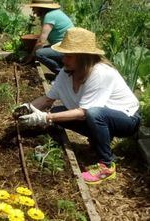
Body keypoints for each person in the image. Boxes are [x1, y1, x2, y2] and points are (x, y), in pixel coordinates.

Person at [14, 27, 140, 184]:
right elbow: (47, 99)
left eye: (69, 56)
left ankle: (106, 165)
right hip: (100, 116)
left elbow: (84, 112)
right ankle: (98, 139)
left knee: (92, 114)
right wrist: (27, 108)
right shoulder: (67, 73)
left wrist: (46, 117)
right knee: (58, 112)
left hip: (127, 119)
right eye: (64, 55)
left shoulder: (100, 73)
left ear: (83, 57)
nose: (63, 60)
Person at [24, 0, 73, 74]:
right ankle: (65, 67)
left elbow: (41, 41)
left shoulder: (50, 16)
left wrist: (31, 56)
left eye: (34, 7)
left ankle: (63, 73)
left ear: (41, 8)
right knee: (43, 50)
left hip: (65, 49)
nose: (33, 9)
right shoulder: (55, 13)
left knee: (39, 53)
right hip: (67, 46)